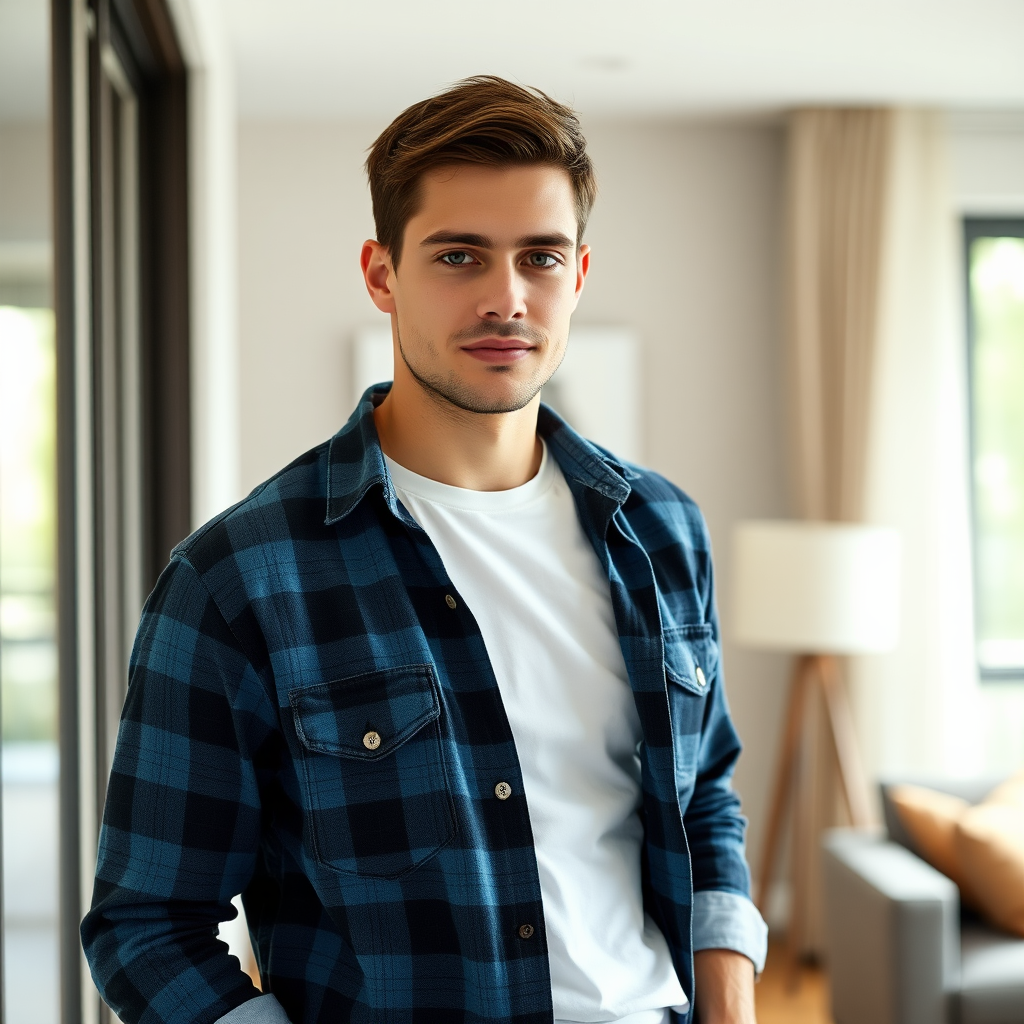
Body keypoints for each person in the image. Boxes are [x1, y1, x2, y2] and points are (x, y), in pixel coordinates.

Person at [82, 75, 767, 1024]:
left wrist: (730, 998)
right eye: (458, 256)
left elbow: (705, 796)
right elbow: (147, 924)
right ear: (381, 273)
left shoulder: (662, 529)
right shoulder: (239, 578)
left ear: (578, 275)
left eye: (539, 256)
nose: (506, 297)